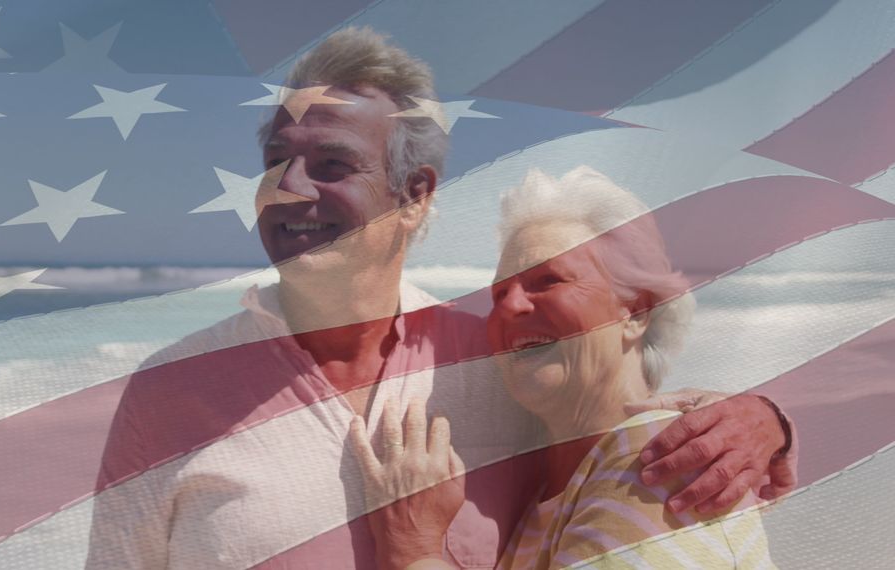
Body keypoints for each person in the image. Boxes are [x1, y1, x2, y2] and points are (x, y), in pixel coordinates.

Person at [87, 28, 795, 569]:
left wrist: (759, 422)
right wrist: (767, 422)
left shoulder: (496, 361)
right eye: (276, 162)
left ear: (415, 195)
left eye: (331, 164)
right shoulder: (168, 391)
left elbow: (615, 421)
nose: (289, 188)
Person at [352, 167, 782, 569]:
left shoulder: (658, 457)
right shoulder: (553, 492)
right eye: (499, 294)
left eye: (549, 281)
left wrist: (413, 547)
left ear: (635, 313)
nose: (510, 306)